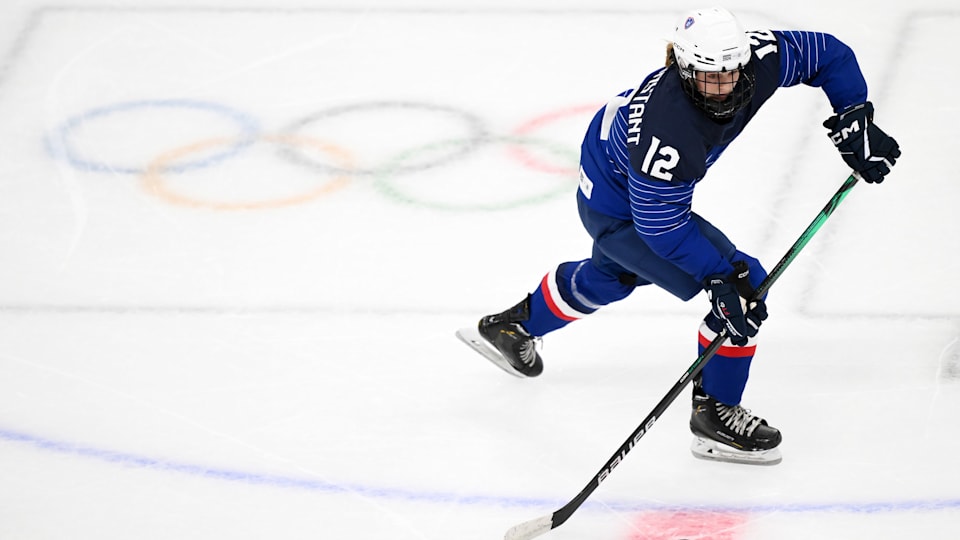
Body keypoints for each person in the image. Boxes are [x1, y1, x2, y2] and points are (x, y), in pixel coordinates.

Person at [457, 7, 900, 465]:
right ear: (682, 67)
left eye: (731, 73)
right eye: (709, 77)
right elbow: (659, 227)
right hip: (621, 207)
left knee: (614, 274)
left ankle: (510, 328)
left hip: (619, 178)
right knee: (744, 287)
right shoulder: (666, 132)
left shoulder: (753, 59)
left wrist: (854, 120)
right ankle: (715, 417)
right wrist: (719, 280)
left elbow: (828, 54)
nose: (724, 86)